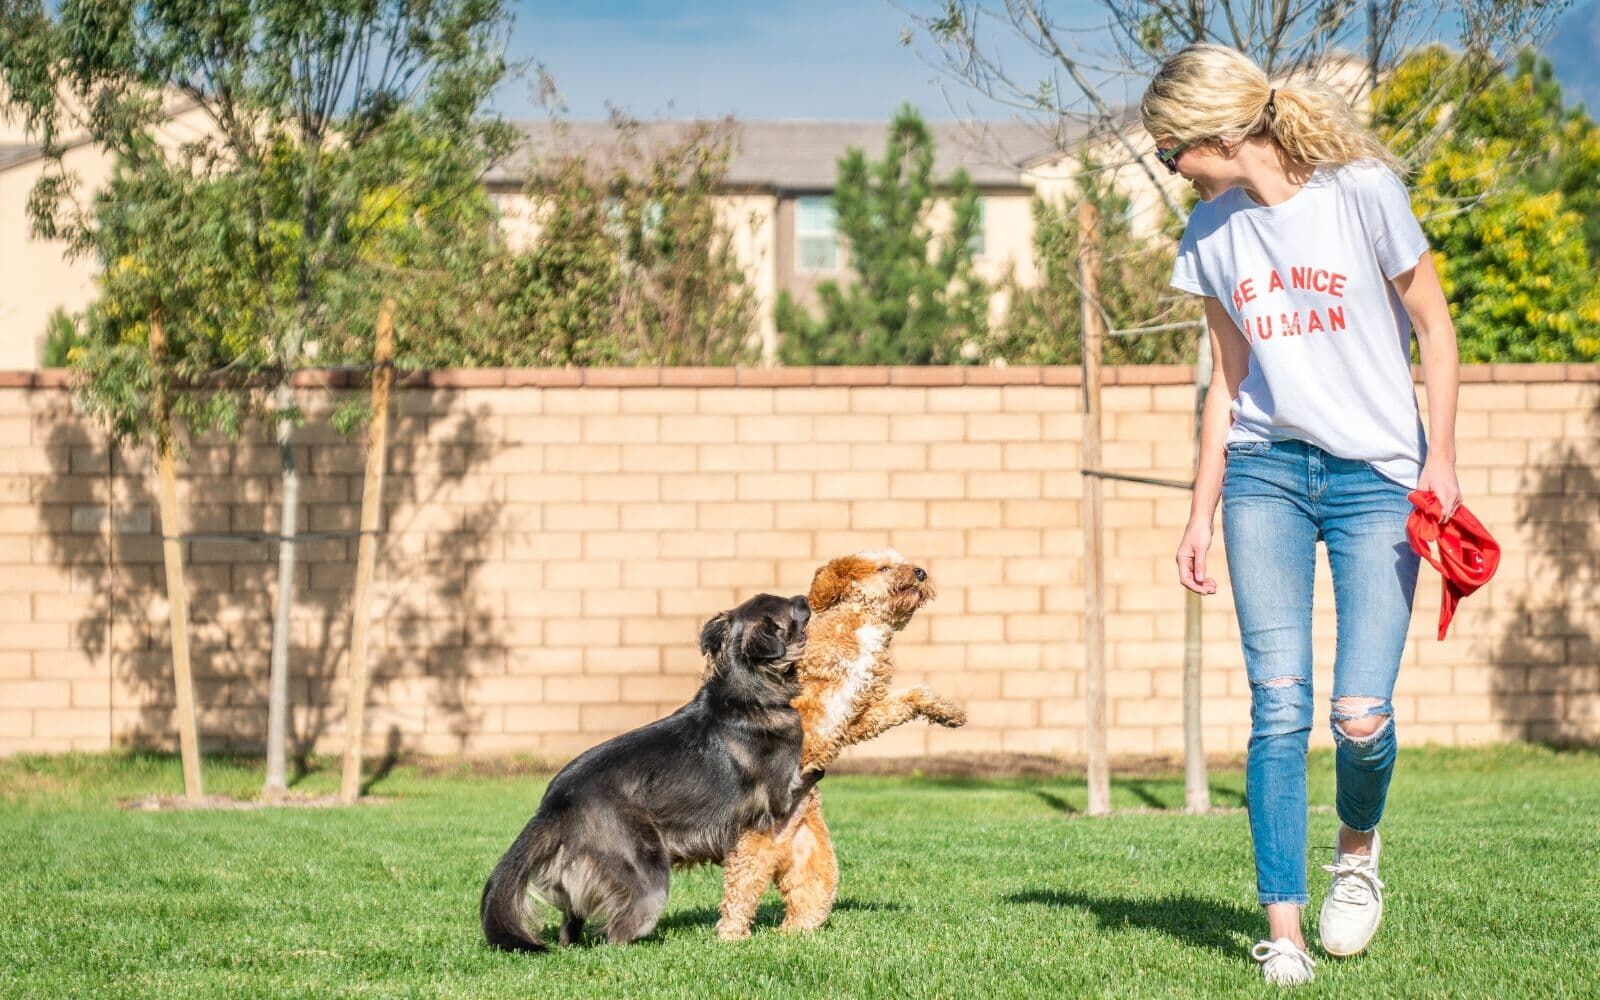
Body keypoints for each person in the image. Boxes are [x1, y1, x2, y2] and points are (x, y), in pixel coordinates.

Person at [1142, 44, 1462, 986]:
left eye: (1170, 151)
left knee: (1360, 716)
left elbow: (1437, 330)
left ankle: (1356, 855)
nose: (1172, 170)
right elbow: (1227, 384)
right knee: (1277, 708)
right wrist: (1200, 515)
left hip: (1378, 478)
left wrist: (1439, 460)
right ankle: (1281, 933)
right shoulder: (1211, 232)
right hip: (1264, 477)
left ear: (1215, 133)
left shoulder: (1363, 191)